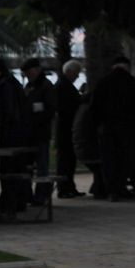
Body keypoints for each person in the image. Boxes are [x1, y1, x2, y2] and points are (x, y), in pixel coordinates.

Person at [88, 55, 135, 201]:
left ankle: (112, 190)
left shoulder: (103, 83)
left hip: (107, 129)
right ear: (127, 67)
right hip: (127, 129)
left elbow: (94, 108)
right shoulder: (133, 83)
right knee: (126, 159)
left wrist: (96, 126)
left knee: (109, 159)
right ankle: (124, 187)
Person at [0, 56, 31, 217]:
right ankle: (17, 201)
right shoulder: (14, 84)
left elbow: (8, 112)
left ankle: (10, 203)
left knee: (9, 169)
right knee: (16, 168)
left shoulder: (5, 86)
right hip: (19, 134)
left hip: (10, 135)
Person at [20, 58, 58, 205]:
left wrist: (36, 116)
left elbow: (50, 109)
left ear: (36, 70)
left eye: (29, 72)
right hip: (30, 133)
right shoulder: (31, 86)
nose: (28, 75)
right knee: (29, 166)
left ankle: (41, 196)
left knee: (42, 166)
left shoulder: (45, 86)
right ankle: (28, 195)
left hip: (40, 133)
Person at [55, 60, 86, 199]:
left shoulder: (63, 86)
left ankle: (69, 187)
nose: (77, 77)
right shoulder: (63, 87)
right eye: (77, 74)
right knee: (65, 160)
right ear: (70, 72)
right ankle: (64, 188)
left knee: (68, 159)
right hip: (65, 129)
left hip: (65, 128)